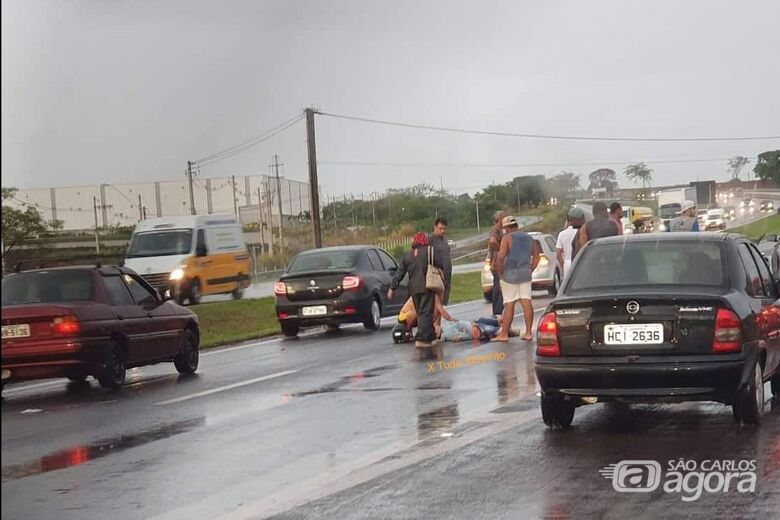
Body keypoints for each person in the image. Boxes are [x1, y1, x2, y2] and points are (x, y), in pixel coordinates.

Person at [388, 232, 445, 348]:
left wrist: (392, 288)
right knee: (426, 313)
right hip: (427, 286)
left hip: (413, 289)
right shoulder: (429, 251)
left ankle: (430, 337)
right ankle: (422, 339)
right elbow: (440, 262)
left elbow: (399, 273)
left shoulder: (407, 255)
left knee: (420, 313)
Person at [492, 216, 540, 342]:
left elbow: (501, 256)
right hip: (525, 274)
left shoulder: (507, 238)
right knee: (526, 302)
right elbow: (536, 258)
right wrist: (530, 269)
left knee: (509, 304)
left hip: (510, 274)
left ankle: (504, 334)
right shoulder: (530, 238)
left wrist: (501, 273)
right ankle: (528, 332)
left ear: (506, 228)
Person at [428, 217, 453, 304]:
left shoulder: (445, 241)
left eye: (444, 228)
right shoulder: (430, 240)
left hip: (446, 277)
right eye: (440, 228)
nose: (442, 231)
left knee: (442, 304)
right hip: (436, 277)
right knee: (436, 305)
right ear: (434, 227)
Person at [487, 210, 508, 317]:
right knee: (501, 290)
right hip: (498, 264)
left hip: (497, 264)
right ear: (499, 219)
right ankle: (498, 314)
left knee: (498, 288)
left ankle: (497, 314)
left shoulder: (500, 231)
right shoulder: (496, 230)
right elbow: (492, 241)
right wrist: (501, 251)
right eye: (504, 218)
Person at [556, 207, 585, 278]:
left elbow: (558, 253)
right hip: (582, 262)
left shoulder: (562, 234)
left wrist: (563, 265)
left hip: (567, 263)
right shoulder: (583, 232)